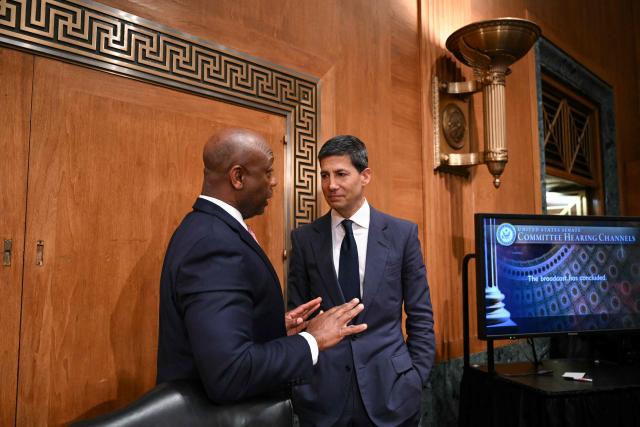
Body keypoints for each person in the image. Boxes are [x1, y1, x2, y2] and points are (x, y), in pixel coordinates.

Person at [156, 128, 367, 404]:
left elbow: (216, 337)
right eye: (267, 172)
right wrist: (312, 340)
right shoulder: (213, 244)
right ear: (238, 177)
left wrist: (270, 329)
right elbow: (231, 373)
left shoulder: (206, 228)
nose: (275, 182)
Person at [287, 135, 436, 426]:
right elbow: (297, 317)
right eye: (325, 175)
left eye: (341, 174)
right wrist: (301, 383)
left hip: (392, 392)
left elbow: (420, 314)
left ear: (365, 175)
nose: (331, 185)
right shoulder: (304, 240)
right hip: (322, 397)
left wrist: (416, 377)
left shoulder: (401, 235)